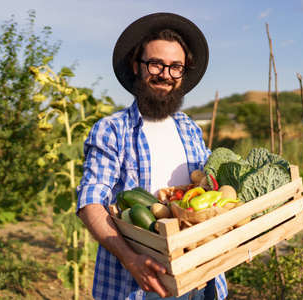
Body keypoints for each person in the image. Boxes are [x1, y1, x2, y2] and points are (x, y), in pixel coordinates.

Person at [77, 13, 228, 300]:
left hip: (201, 275)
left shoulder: (190, 128)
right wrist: (129, 259)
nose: (165, 74)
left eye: (175, 67)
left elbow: (211, 187)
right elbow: (90, 201)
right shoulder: (112, 130)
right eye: (156, 64)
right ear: (137, 66)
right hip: (139, 283)